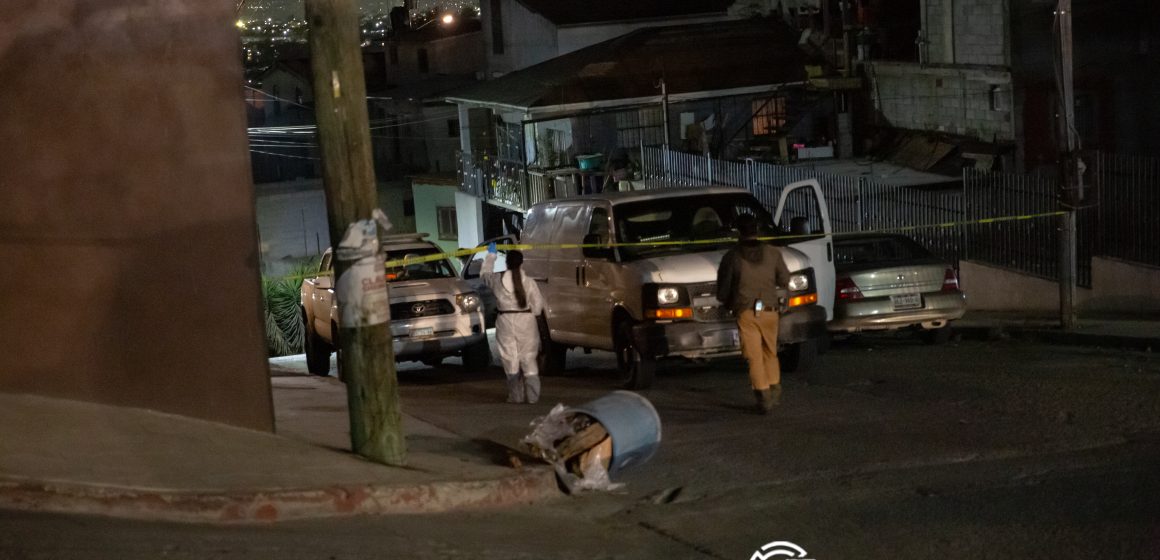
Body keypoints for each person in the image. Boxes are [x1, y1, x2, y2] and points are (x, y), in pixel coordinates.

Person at [716, 214, 792, 414]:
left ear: (738, 233)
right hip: (770, 310)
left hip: (746, 312)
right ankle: (775, 389)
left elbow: (723, 290)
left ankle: (763, 396)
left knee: (754, 357)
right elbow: (784, 279)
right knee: (770, 352)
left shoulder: (732, 257)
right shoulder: (773, 253)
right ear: (757, 230)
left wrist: (727, 302)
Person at [482, 243, 545, 404]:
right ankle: (532, 397)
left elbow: (484, 275)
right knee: (529, 358)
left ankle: (515, 396)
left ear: (506, 263)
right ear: (522, 262)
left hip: (505, 321)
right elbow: (538, 307)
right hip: (526, 322)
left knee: (510, 358)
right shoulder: (529, 282)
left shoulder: (497, 280)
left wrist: (491, 256)